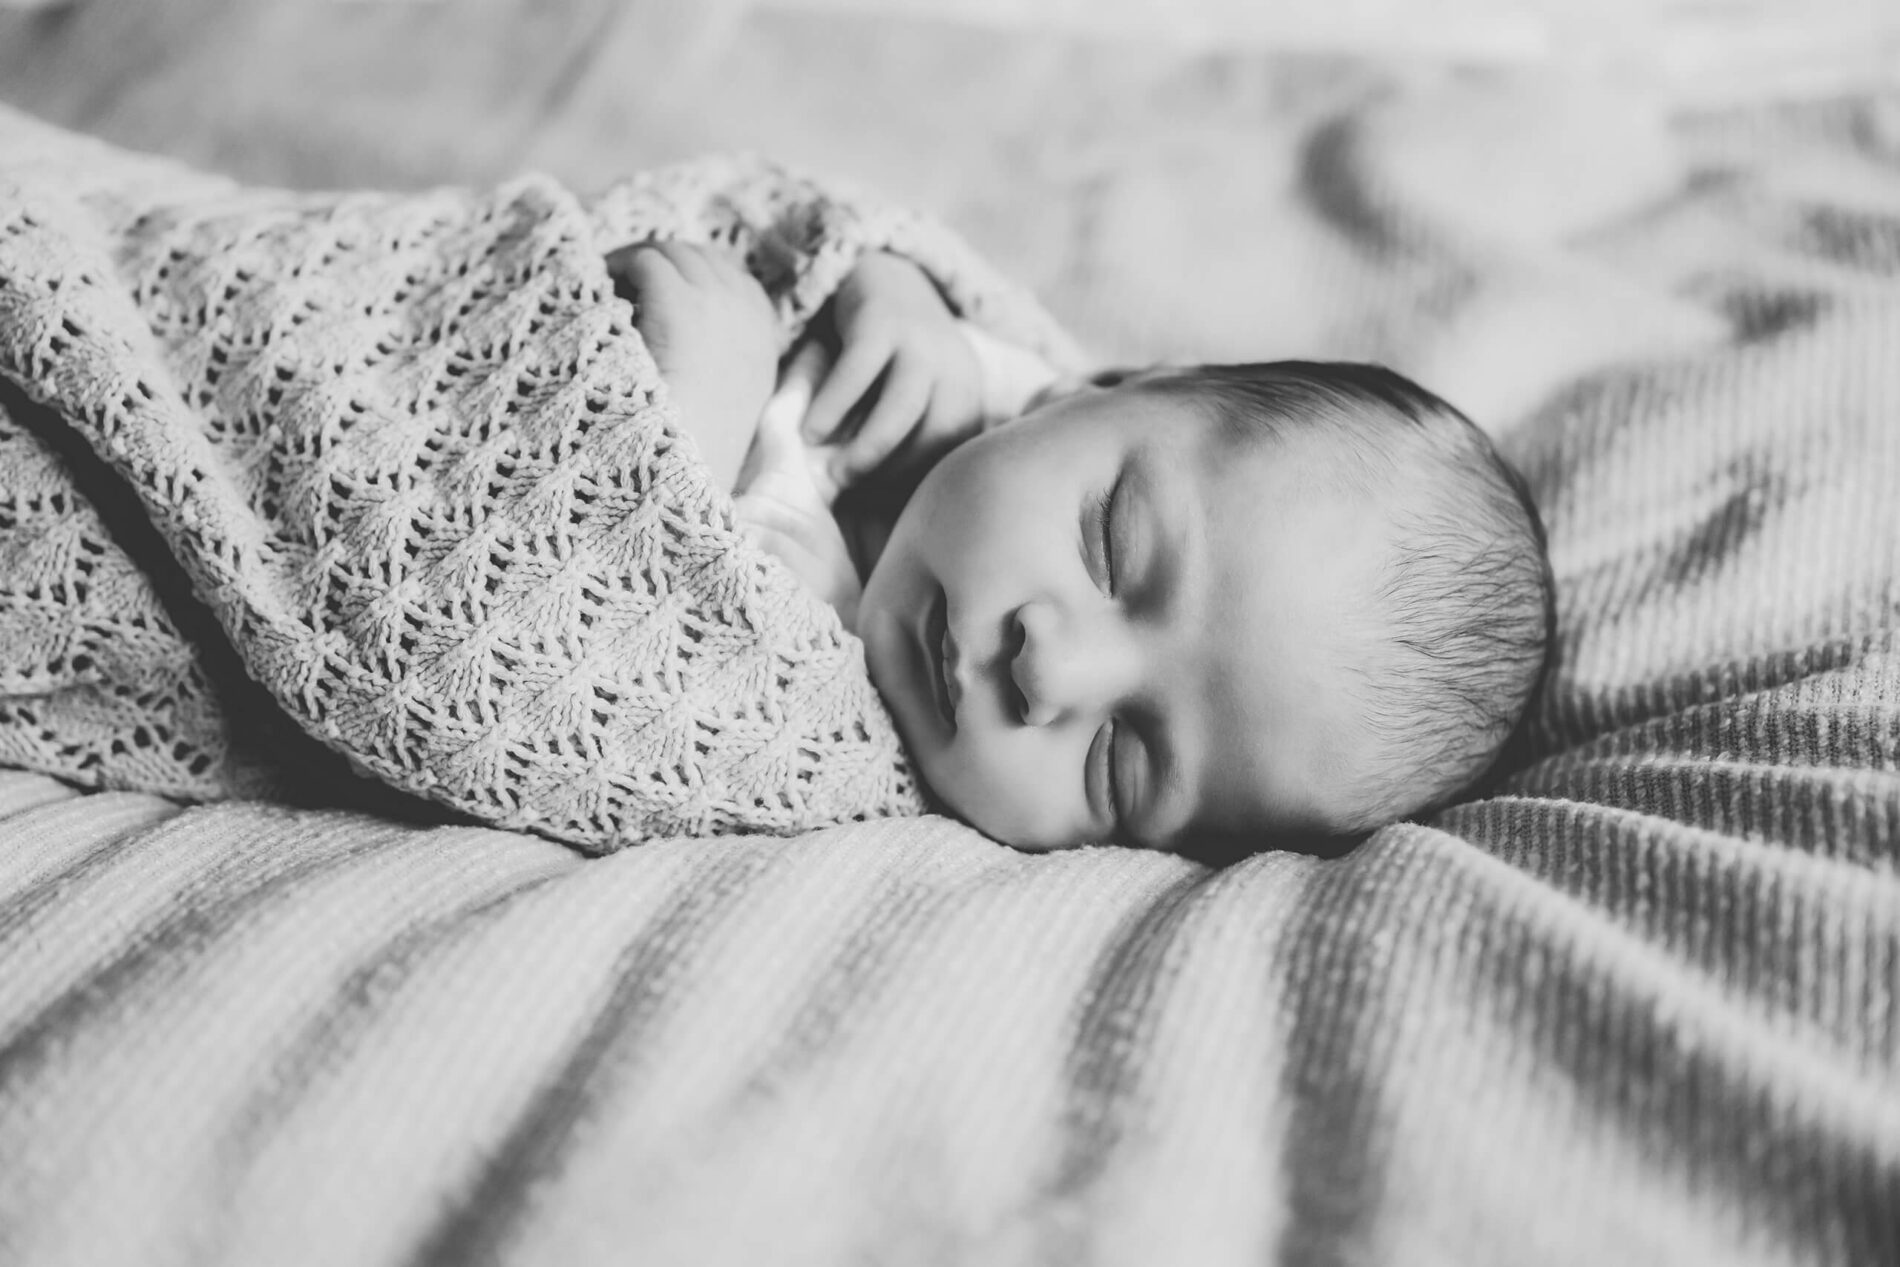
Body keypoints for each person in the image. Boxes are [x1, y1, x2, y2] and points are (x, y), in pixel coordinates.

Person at [608, 240, 1553, 855]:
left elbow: (566, 706)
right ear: (1104, 387)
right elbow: (763, 218)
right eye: (1111, 546)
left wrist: (686, 430)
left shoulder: (825, 757)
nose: (1048, 670)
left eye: (1119, 764)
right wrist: (879, 275)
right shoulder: (966, 367)